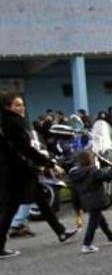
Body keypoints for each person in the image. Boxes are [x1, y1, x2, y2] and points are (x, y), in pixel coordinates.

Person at [1, 92, 78, 259]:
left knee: (41, 201)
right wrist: (49, 163)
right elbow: (25, 149)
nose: (21, 108)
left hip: (23, 170)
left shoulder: (13, 122)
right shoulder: (12, 124)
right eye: (17, 105)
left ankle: (61, 232)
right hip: (17, 172)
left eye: (22, 104)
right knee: (10, 209)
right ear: (8, 107)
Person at [68, 150, 112, 253]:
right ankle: (86, 244)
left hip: (86, 201)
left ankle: (110, 236)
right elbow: (107, 176)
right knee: (93, 223)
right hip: (96, 200)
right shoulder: (93, 171)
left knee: (100, 219)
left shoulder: (75, 173)